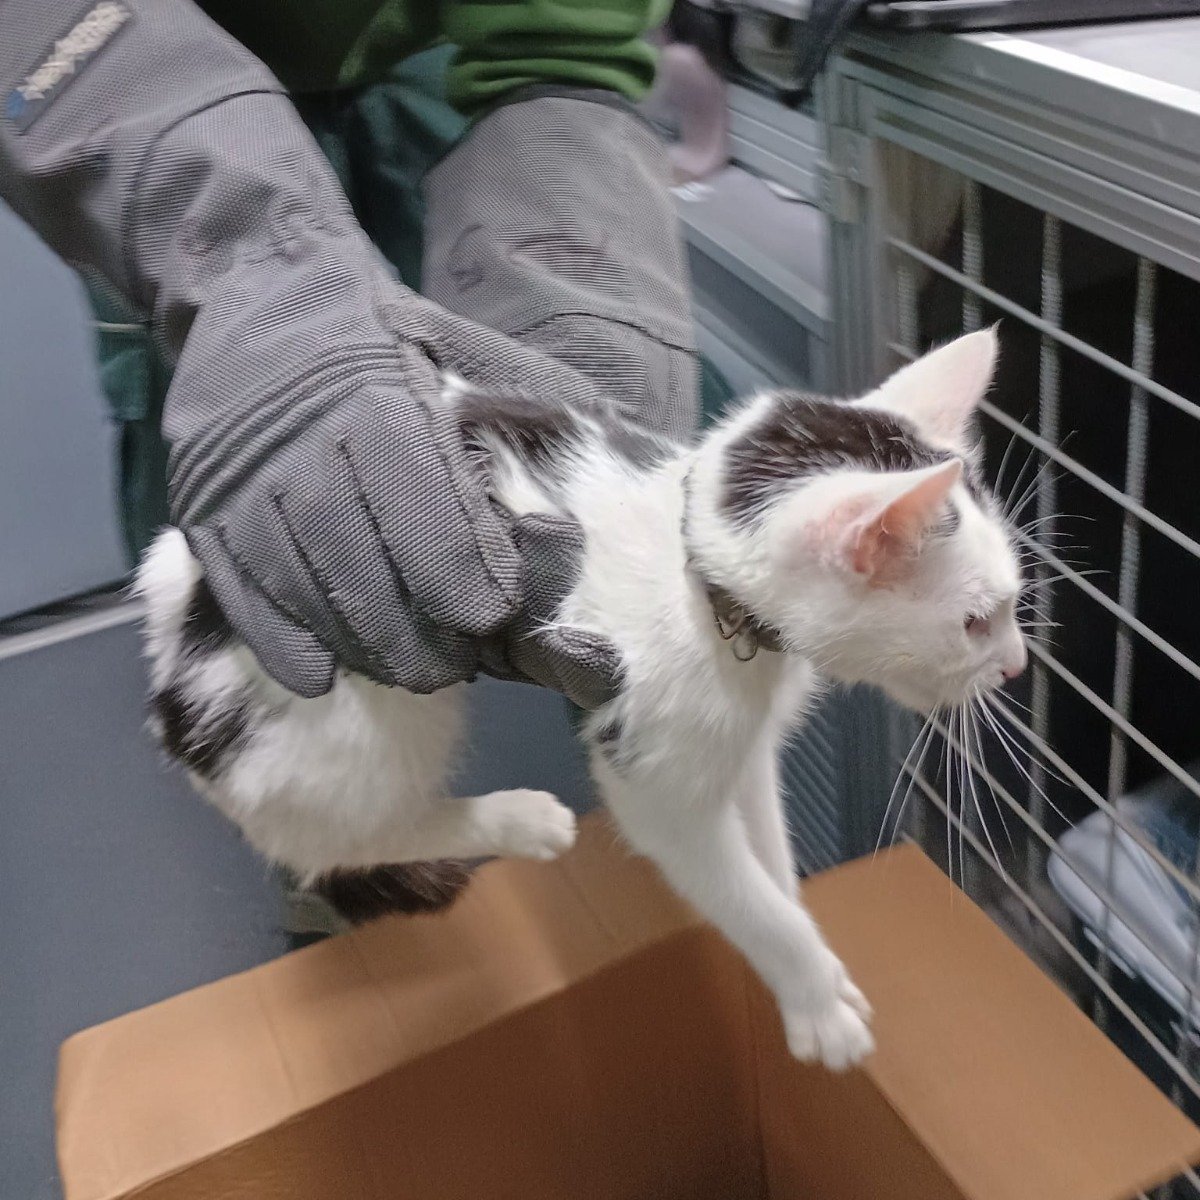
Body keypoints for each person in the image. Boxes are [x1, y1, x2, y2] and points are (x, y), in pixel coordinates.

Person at [1, 0, 704, 930]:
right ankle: (333, 867)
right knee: (255, 501)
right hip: (140, 43)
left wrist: (581, 270)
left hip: (435, 52)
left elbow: (564, 29)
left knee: (562, 478)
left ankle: (655, 853)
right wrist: (248, 251)